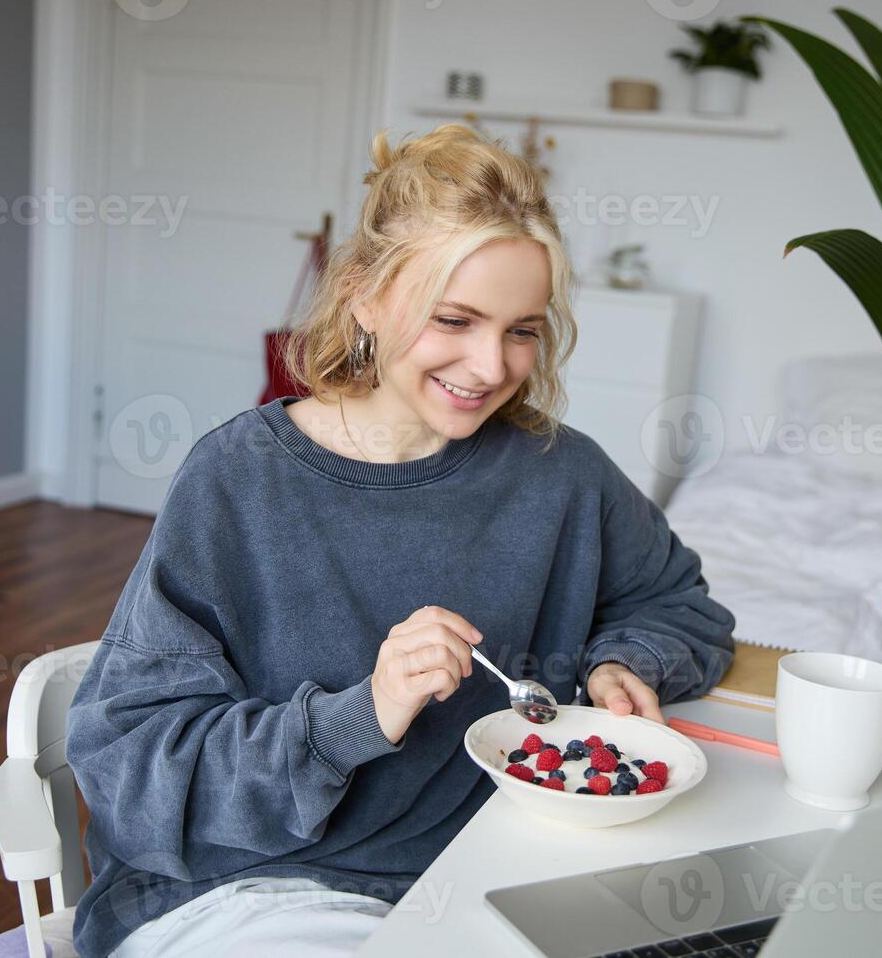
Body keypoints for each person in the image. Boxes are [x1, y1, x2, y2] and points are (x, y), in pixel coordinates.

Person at [65, 123, 736, 958]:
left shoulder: (562, 477)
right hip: (260, 889)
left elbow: (679, 604)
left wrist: (625, 660)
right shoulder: (239, 481)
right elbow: (135, 775)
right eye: (453, 319)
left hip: (491, 875)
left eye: (522, 330)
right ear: (364, 294)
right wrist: (359, 716)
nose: (491, 366)